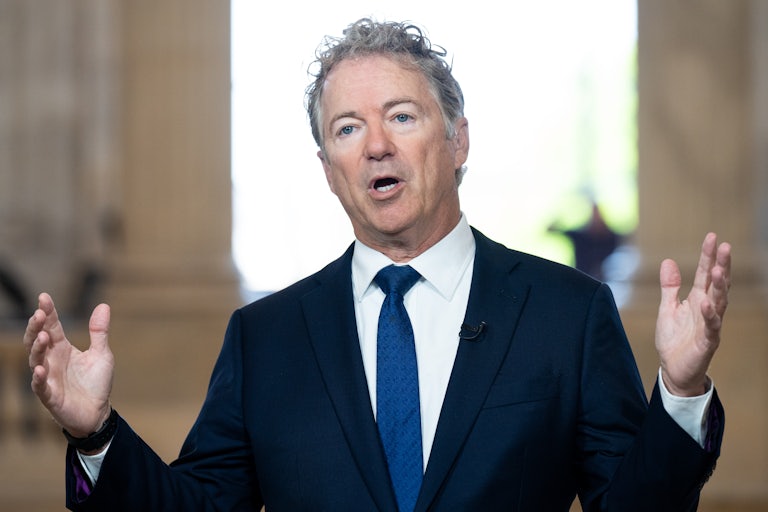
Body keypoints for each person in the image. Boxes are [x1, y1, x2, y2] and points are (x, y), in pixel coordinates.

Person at [24, 18, 732, 512]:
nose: (375, 147)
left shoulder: (566, 315)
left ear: (457, 141)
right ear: (330, 170)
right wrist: (96, 434)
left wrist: (680, 389)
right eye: (347, 128)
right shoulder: (266, 338)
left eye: (401, 116)